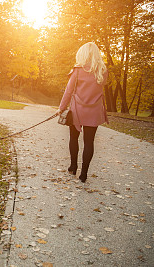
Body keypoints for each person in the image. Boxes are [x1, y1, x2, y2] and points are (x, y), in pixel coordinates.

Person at [58, 42, 108, 183]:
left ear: (83, 54)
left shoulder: (78, 70)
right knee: (89, 142)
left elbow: (68, 91)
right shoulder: (103, 71)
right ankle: (84, 174)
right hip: (94, 112)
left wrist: (61, 108)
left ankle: (73, 166)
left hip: (77, 111)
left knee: (73, 138)